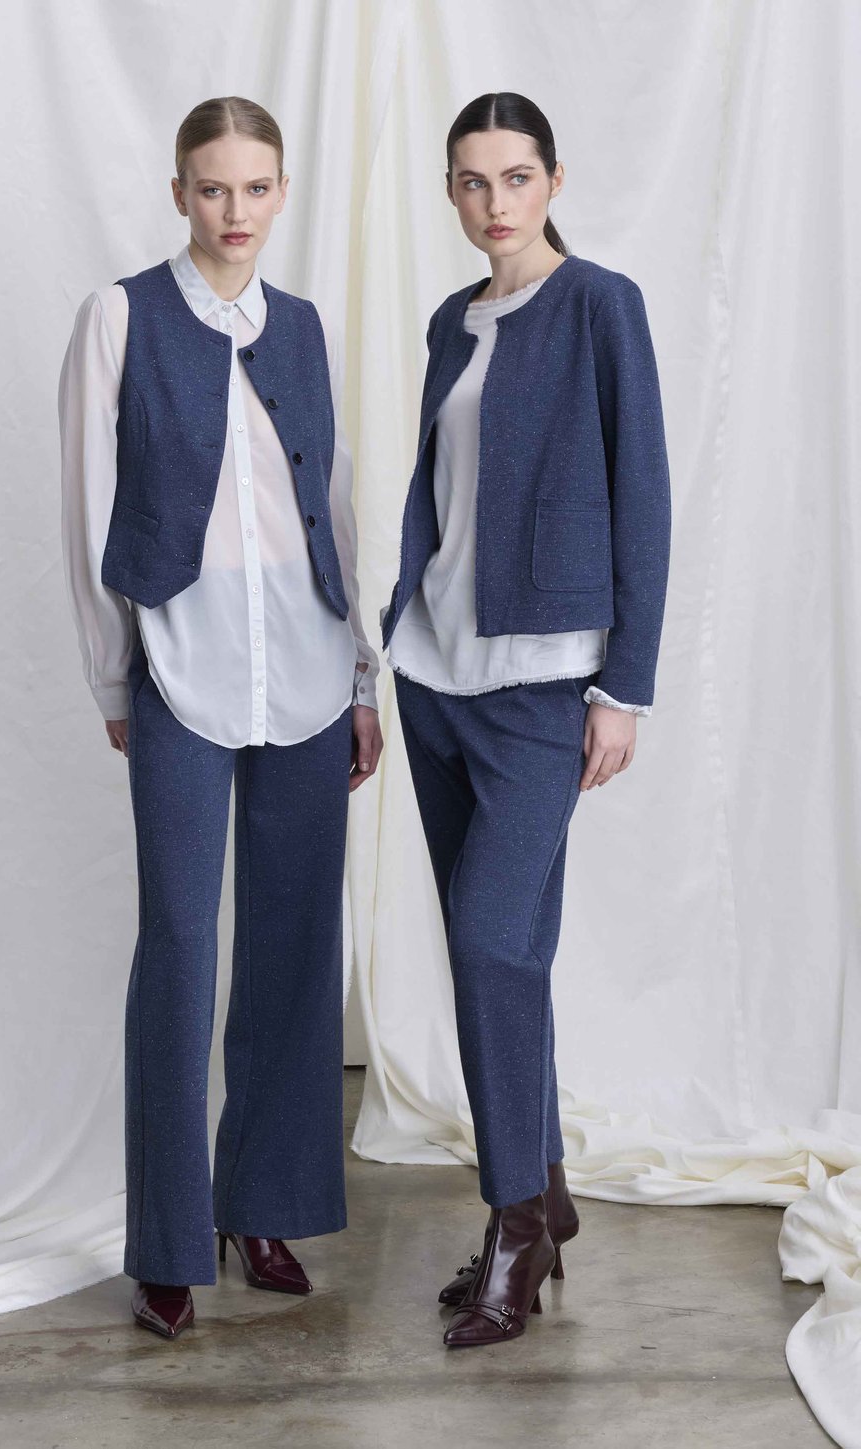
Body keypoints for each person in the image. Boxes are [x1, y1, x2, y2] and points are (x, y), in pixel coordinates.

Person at [58, 96, 382, 1342]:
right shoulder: (121, 316)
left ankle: (266, 1207)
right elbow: (87, 508)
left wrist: (361, 678)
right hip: (179, 667)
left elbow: (333, 505)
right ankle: (167, 1242)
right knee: (181, 948)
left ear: (280, 193)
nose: (233, 212)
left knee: (294, 948)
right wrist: (113, 677)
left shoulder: (302, 327)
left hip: (304, 667)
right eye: (211, 188)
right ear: (179, 193)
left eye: (254, 189)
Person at [380, 92, 671, 1349]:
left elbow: (642, 494)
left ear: (553, 180)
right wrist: (389, 628)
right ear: (450, 192)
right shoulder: (452, 321)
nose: (491, 201)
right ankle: (543, 1193)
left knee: (490, 943)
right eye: (469, 180)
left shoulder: (601, 304)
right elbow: (436, 488)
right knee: (506, 952)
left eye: (513, 176)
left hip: (545, 681)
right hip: (435, 677)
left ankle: (510, 1222)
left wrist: (624, 687)